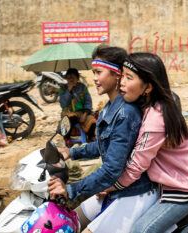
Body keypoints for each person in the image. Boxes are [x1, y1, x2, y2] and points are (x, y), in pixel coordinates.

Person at [100, 53, 188, 233]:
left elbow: (135, 167)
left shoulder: (155, 119)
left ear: (148, 87)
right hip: (176, 178)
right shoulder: (150, 105)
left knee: (141, 230)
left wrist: (109, 186)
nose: (121, 81)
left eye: (129, 77)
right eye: (122, 75)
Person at [48, 46, 156, 233]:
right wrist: (70, 152)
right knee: (71, 220)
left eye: (98, 72)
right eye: (93, 73)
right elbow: (104, 145)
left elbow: (111, 169)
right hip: (115, 188)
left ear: (116, 75)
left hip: (134, 194)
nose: (94, 78)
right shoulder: (109, 107)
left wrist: (71, 190)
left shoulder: (125, 113)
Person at [59, 68, 96, 144]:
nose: (71, 80)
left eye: (73, 78)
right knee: (69, 119)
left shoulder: (82, 87)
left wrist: (85, 114)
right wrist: (68, 90)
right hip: (68, 112)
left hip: (81, 112)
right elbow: (63, 104)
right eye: (69, 78)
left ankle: (91, 137)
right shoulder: (63, 88)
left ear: (78, 78)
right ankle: (67, 138)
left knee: (92, 119)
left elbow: (88, 102)